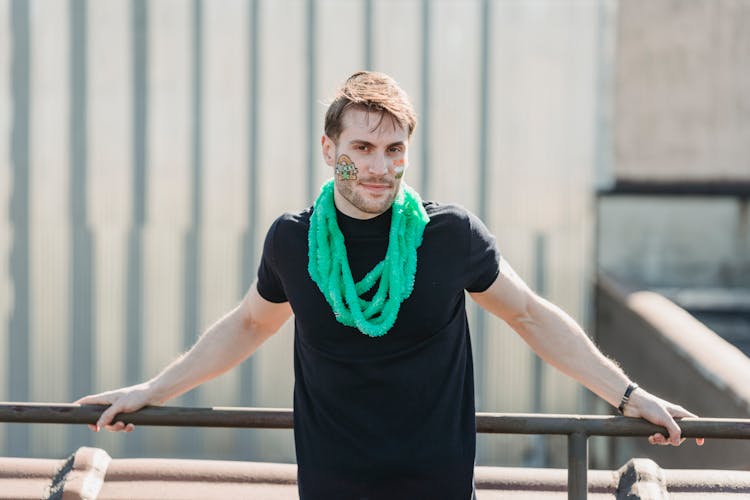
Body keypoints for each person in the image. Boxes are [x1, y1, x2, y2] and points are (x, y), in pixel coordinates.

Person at [76, 71, 702, 499]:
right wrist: (152, 390)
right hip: (331, 486)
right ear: (330, 148)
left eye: (395, 149)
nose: (380, 166)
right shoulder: (293, 243)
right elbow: (247, 326)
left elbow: (532, 317)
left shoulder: (448, 235)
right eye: (364, 146)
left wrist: (627, 395)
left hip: (437, 487)